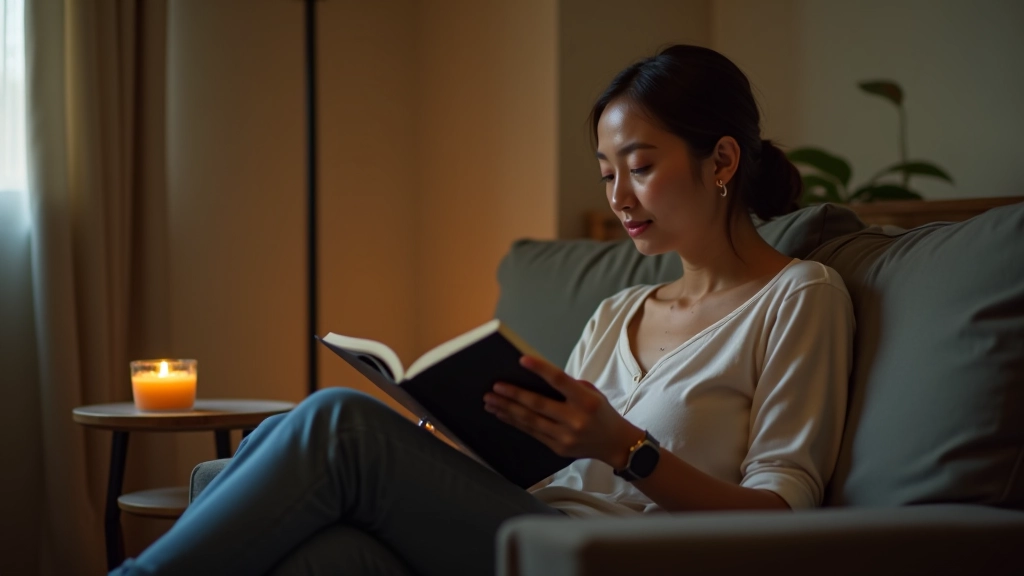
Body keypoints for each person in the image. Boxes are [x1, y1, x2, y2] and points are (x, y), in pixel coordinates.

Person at [112, 44, 854, 576]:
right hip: (531, 526)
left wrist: (625, 448)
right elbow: (553, 471)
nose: (619, 198)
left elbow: (781, 518)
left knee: (337, 421)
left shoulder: (799, 296)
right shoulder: (618, 311)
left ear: (721, 161)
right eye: (607, 174)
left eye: (639, 167)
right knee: (326, 549)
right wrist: (466, 439)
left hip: (615, 557)